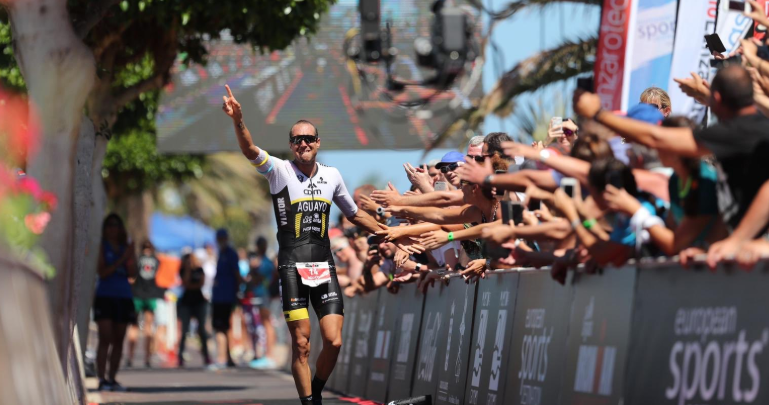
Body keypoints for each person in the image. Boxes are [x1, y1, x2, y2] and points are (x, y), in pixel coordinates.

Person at [221, 84, 385, 405]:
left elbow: (353, 214)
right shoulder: (279, 170)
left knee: (334, 342)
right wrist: (238, 120)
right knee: (301, 344)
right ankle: (308, 402)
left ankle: (316, 392)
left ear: (318, 143)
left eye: (309, 139)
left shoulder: (333, 175)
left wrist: (387, 232)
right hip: (291, 267)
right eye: (298, 139)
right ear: (291, 145)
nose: (304, 144)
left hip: (323, 266)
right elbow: (249, 149)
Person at [573, 65, 769, 265]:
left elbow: (654, 137)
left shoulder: (734, 137)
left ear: (717, 99)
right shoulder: (679, 179)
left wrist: (598, 113)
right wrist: (708, 247)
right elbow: (725, 212)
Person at [94, 213, 136, 392]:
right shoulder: (102, 246)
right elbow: (102, 272)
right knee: (105, 337)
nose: (113, 228)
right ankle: (102, 379)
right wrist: (122, 258)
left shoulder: (125, 247)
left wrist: (131, 256)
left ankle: (112, 378)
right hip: (105, 296)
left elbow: (133, 274)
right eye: (109, 225)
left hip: (124, 296)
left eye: (116, 225)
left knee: (119, 339)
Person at [210, 228, 246, 369]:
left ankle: (223, 357)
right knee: (221, 328)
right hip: (219, 296)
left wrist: (237, 293)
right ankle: (226, 357)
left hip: (226, 297)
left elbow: (237, 274)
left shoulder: (230, 254)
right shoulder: (221, 254)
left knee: (223, 327)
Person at [126, 240, 164, 368]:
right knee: (148, 326)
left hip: (137, 294)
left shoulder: (138, 260)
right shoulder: (157, 261)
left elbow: (132, 278)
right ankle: (147, 358)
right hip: (151, 294)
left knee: (134, 326)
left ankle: (130, 357)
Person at [246, 237, 278, 370]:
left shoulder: (265, 262)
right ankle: (264, 354)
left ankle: (269, 355)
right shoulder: (262, 261)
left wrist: (253, 270)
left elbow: (257, 278)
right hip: (260, 295)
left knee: (267, 324)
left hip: (265, 295)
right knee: (260, 325)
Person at [177, 253, 212, 367]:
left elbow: (201, 283)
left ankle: (206, 355)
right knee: (184, 330)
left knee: (202, 330)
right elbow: (185, 283)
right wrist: (187, 269)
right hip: (186, 303)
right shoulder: (182, 270)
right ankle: (180, 355)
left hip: (199, 302)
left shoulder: (199, 270)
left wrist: (192, 285)